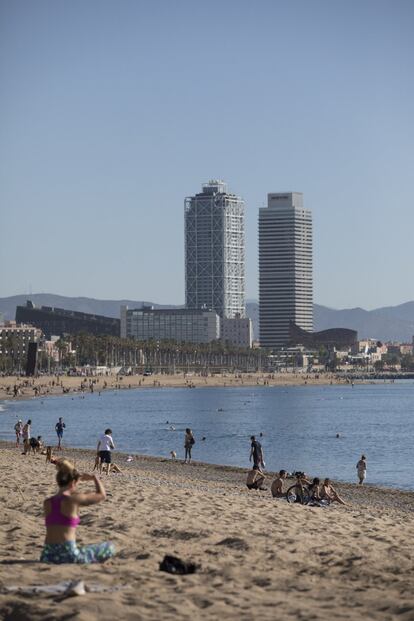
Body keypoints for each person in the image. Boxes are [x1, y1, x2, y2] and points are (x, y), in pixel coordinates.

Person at [40, 458, 115, 564]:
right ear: (72, 483)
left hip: (47, 555)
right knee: (109, 547)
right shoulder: (73, 500)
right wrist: (94, 478)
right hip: (68, 555)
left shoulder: (47, 502)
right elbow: (102, 495)